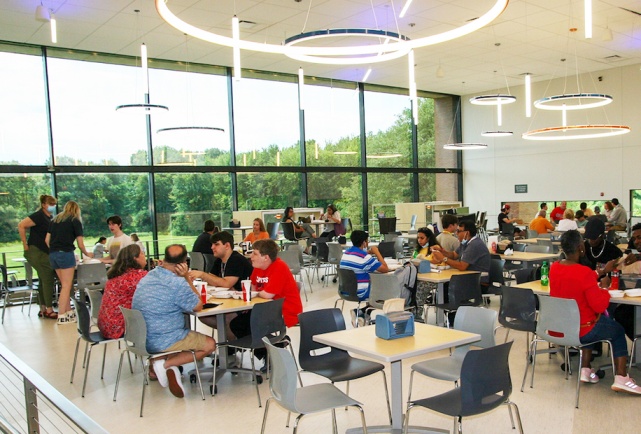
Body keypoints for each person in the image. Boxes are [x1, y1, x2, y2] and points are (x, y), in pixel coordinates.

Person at [550, 230, 640, 394]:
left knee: (592, 322)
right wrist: (604, 288)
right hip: (583, 329)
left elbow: (576, 281)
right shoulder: (583, 273)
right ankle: (621, 378)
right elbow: (599, 306)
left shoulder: (554, 268)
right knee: (617, 330)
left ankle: (585, 369)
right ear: (580, 248)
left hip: (563, 327)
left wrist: (600, 272)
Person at [132, 244, 216, 398]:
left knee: (176, 325)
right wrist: (186, 277)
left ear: (164, 259)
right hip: (164, 338)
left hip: (141, 337)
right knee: (210, 344)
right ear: (184, 263)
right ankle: (167, 365)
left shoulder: (149, 276)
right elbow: (198, 305)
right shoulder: (177, 283)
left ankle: (158, 364)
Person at [229, 239, 302, 359]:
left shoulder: (279, 267)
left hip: (283, 311)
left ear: (265, 257)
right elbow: (253, 288)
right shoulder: (258, 267)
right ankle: (269, 349)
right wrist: (257, 293)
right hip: (265, 308)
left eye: (255, 254)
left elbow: (268, 294)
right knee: (237, 323)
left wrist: (256, 293)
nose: (250, 256)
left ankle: (268, 351)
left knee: (242, 323)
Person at [191, 231, 253, 340]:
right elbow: (212, 280)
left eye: (216, 244)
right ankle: (232, 341)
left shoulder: (236, 259)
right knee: (204, 316)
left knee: (227, 318)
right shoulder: (219, 260)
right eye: (212, 244)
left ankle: (233, 345)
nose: (212, 247)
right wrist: (214, 280)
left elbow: (226, 283)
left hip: (246, 304)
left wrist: (203, 275)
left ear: (227, 245)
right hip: (230, 301)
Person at [45, 201, 93, 324]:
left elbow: (47, 240)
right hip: (65, 253)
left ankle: (68, 311)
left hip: (53, 254)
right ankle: (61, 315)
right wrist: (88, 254)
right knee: (67, 285)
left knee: (64, 285)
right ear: (77, 210)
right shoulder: (75, 221)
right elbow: (80, 244)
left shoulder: (54, 221)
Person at [17, 194, 58, 319]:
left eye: (53, 204)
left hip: (44, 251)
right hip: (36, 250)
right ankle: (49, 308)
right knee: (48, 277)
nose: (52, 206)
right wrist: (25, 244)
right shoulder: (38, 216)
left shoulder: (49, 217)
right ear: (43, 204)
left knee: (42, 279)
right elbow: (21, 225)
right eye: (50, 204)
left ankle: (43, 308)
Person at [339, 230, 389, 326]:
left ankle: (362, 313)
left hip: (345, 290)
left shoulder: (346, 253)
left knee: (373, 286)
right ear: (364, 242)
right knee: (384, 290)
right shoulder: (364, 257)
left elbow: (359, 259)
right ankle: (362, 312)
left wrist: (368, 252)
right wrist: (377, 252)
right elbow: (385, 268)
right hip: (360, 293)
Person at [98, 244, 147, 339]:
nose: (144, 256)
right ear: (135, 258)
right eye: (142, 253)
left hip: (105, 325)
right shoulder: (139, 276)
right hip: (119, 329)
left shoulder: (116, 275)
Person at [430, 220, 491, 285]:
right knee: (444, 286)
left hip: (478, 283)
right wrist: (441, 251)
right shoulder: (465, 243)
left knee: (446, 287)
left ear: (467, 233)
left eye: (459, 231)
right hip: (468, 279)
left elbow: (462, 266)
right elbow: (454, 255)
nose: (456, 233)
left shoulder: (474, 245)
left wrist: (443, 258)